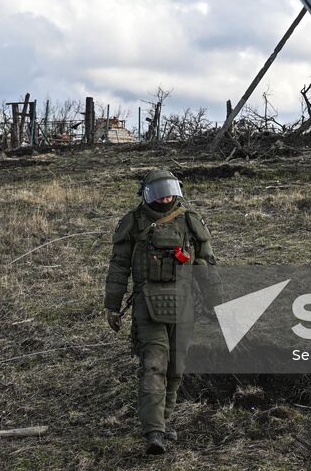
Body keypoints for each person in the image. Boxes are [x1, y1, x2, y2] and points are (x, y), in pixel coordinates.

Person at [104, 168, 219, 455]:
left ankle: (164, 420)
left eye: (170, 190)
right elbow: (118, 267)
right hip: (147, 305)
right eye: (159, 191)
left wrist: (217, 303)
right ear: (146, 194)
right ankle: (153, 430)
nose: (166, 197)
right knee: (153, 365)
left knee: (176, 366)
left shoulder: (190, 222)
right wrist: (112, 305)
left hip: (184, 303)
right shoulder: (132, 222)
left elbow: (207, 265)